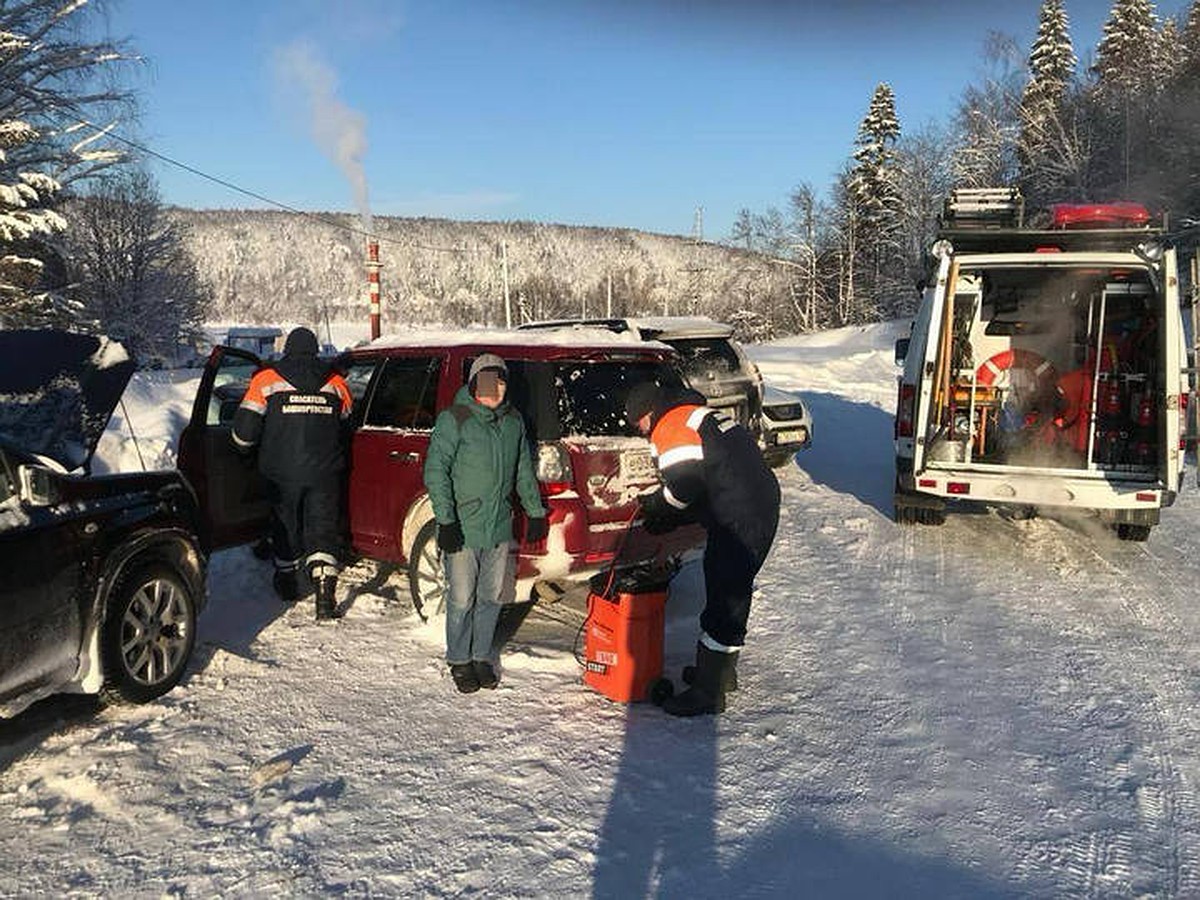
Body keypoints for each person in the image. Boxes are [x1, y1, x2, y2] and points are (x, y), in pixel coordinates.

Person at [624, 381, 780, 717]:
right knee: (733, 589)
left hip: (740, 515)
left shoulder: (671, 424)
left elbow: (685, 486)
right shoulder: (702, 415)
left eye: (638, 424)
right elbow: (712, 477)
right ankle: (720, 675)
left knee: (726, 593)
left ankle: (708, 694)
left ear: (647, 414)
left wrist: (657, 506)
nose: (640, 432)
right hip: (757, 504)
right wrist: (676, 517)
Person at [423, 353, 547, 694]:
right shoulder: (455, 419)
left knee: (491, 598)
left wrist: (535, 511)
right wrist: (446, 520)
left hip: (498, 526)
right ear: (475, 383)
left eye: (500, 381)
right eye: (487, 381)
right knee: (462, 599)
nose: (494, 389)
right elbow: (436, 471)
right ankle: (459, 660)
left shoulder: (513, 422)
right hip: (463, 525)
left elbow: (523, 470)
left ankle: (480, 656)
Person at [232, 326, 353, 621]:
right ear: (315, 350)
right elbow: (348, 425)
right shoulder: (336, 382)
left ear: (287, 348)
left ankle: (287, 583)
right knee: (322, 529)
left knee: (285, 526)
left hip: (280, 473)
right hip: (325, 472)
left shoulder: (266, 380)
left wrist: (243, 451)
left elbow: (244, 432)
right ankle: (325, 597)